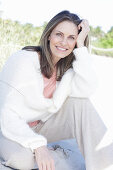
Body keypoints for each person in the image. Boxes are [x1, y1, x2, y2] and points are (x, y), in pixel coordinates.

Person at [0, 10, 113, 170]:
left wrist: (81, 45)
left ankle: (105, 166)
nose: (64, 42)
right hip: (8, 128)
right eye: (59, 34)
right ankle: (46, 152)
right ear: (48, 35)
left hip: (41, 126)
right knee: (22, 161)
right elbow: (7, 114)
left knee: (81, 103)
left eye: (71, 38)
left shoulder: (66, 70)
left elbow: (87, 88)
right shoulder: (23, 61)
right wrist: (38, 146)